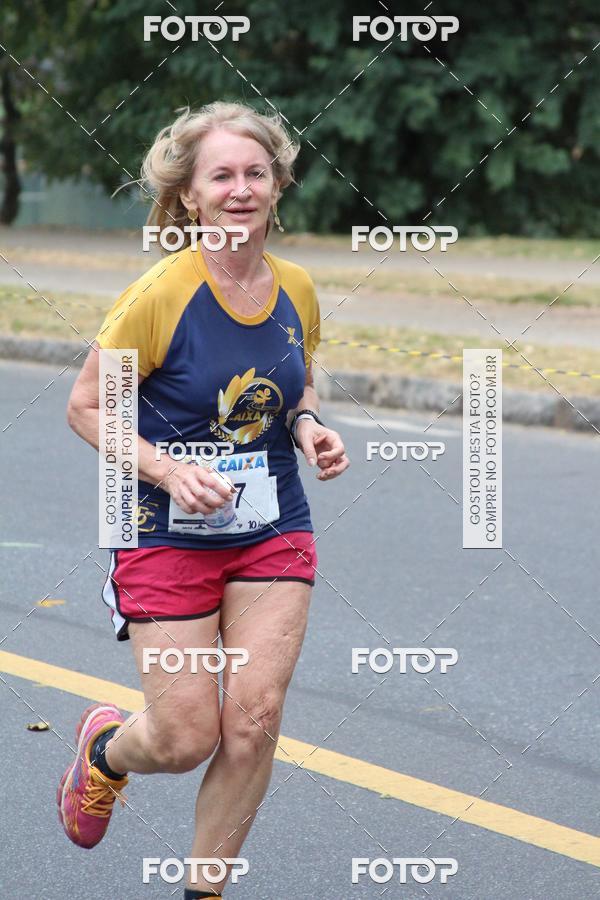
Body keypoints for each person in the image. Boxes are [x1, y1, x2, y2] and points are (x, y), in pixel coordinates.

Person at [58, 100, 350, 898]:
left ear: (277, 186)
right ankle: (107, 751)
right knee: (186, 736)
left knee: (253, 723)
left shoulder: (295, 287)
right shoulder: (160, 295)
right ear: (190, 194)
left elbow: (295, 382)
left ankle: (203, 893)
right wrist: (166, 470)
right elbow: (89, 406)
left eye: (257, 173)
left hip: (270, 526)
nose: (242, 189)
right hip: (163, 531)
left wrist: (310, 424)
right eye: (222, 174)